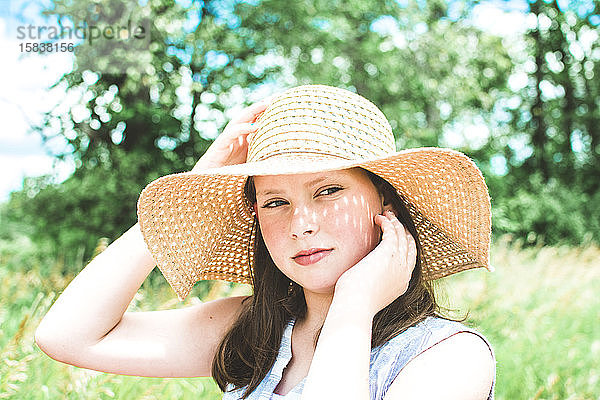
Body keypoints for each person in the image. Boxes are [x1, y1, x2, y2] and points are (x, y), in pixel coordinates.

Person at [36, 84, 496, 399]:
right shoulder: (256, 329)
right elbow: (68, 336)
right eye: (275, 202)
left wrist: (352, 312)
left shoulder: (450, 355)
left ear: (388, 206)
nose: (301, 224)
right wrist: (191, 193)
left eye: (328, 191)